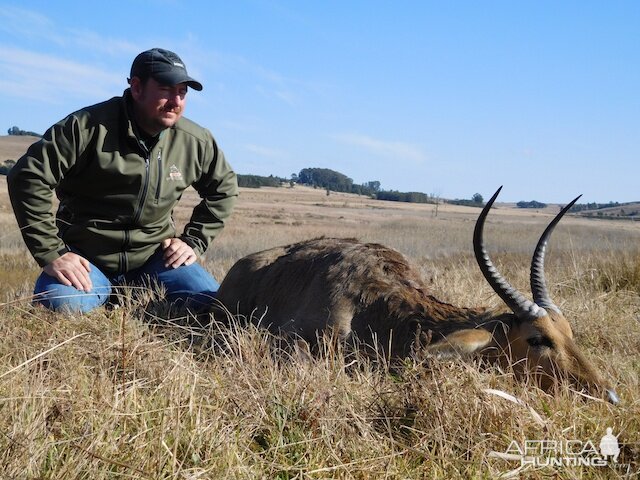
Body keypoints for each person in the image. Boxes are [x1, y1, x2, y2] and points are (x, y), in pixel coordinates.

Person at [8, 48, 238, 313]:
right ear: (137, 87)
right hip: (87, 258)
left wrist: (194, 241)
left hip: (156, 259)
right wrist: (51, 254)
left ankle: (123, 298)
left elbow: (225, 189)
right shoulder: (86, 127)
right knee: (60, 306)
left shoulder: (195, 141)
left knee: (211, 304)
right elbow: (27, 177)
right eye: (165, 89)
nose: (176, 100)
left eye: (182, 92)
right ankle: (99, 294)